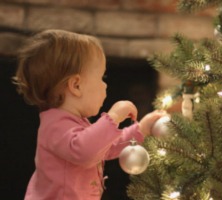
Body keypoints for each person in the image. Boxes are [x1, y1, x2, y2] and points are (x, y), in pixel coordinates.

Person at [13, 29, 164, 200]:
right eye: (101, 77)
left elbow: (105, 147)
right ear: (76, 85)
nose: (105, 86)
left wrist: (141, 129)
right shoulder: (55, 125)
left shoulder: (77, 123)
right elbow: (84, 151)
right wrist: (113, 117)